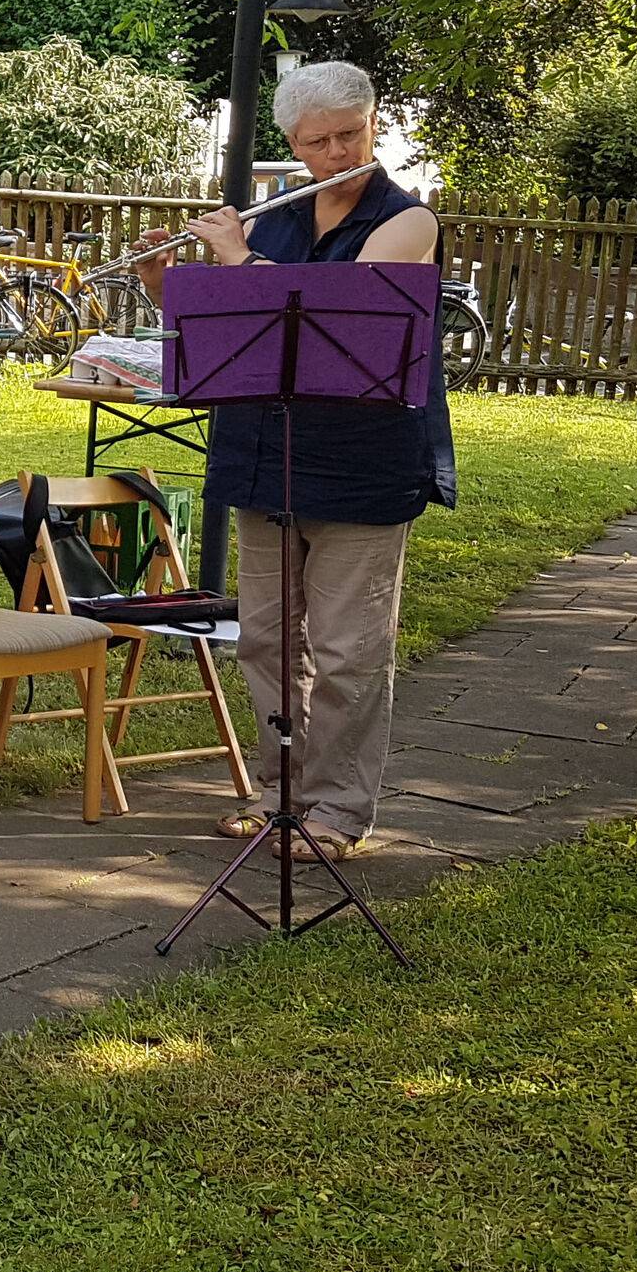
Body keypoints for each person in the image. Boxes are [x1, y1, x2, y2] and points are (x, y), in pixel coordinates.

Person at [134, 61, 456, 859]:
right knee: (268, 641)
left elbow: (340, 305)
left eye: (354, 132)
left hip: (362, 464)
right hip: (266, 456)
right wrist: (162, 284)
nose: (341, 151)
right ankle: (281, 793)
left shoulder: (407, 220)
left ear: (373, 124)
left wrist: (238, 260)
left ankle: (339, 809)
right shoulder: (269, 223)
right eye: (321, 141)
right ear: (293, 143)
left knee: (350, 649)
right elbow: (225, 338)